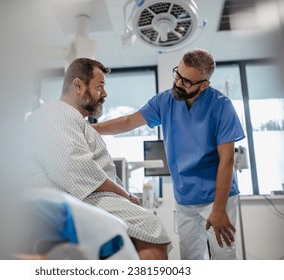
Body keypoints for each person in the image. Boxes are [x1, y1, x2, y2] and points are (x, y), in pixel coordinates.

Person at [93, 49, 245, 260]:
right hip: (185, 197)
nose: (178, 84)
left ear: (204, 85)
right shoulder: (165, 101)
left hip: (218, 197)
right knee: (190, 258)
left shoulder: (221, 106)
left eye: (187, 81)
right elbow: (128, 122)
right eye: (177, 75)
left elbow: (227, 160)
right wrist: (90, 129)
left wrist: (219, 209)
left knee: (223, 255)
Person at [24, 58, 172, 260]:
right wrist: (126, 196)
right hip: (63, 204)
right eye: (99, 86)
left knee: (141, 225)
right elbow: (76, 169)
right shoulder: (56, 114)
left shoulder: (77, 121)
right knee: (149, 226)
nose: (105, 93)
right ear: (78, 85)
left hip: (83, 197)